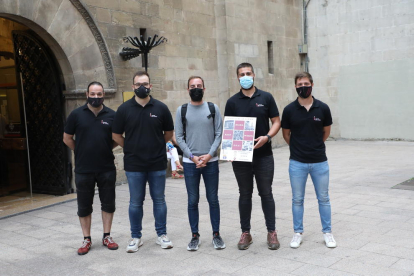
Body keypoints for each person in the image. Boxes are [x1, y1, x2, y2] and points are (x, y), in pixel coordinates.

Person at [112, 71, 174, 253]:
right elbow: (116, 135)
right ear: (133, 87)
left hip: (157, 163)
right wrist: (130, 147)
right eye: (138, 84)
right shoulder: (124, 109)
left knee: (159, 200)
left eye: (145, 84)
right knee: (135, 202)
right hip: (134, 165)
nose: (142, 87)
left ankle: (161, 235)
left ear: (150, 86)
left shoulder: (161, 108)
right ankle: (135, 236)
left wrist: (155, 145)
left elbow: (169, 133)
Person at [224, 63, 281, 250]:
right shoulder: (232, 102)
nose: (245, 76)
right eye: (242, 74)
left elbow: (276, 121)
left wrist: (268, 137)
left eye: (248, 73)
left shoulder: (266, 97)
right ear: (237, 78)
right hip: (241, 158)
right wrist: (230, 150)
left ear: (254, 75)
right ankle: (245, 233)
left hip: (264, 156)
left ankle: (271, 232)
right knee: (244, 194)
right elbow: (229, 129)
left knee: (266, 193)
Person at [281, 72, 336, 249]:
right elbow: (286, 135)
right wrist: (300, 148)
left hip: (320, 161)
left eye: (305, 83)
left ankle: (327, 233)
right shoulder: (289, 110)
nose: (302, 87)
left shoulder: (323, 108)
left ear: (312, 84)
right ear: (295, 86)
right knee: (297, 199)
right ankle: (297, 233)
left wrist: (314, 145)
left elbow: (326, 132)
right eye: (299, 84)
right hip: (297, 162)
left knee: (324, 198)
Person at [63, 81, 118, 255]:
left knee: (108, 203)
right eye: (93, 94)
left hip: (106, 168)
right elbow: (67, 138)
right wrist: (81, 150)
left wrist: (104, 147)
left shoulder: (112, 115)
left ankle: (107, 236)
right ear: (87, 94)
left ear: (104, 95)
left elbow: (117, 137)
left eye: (99, 94)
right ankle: (86, 239)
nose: (96, 97)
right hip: (83, 169)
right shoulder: (76, 115)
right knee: (84, 206)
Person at [175, 76, 225, 251]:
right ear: (187, 89)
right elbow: (179, 137)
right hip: (190, 163)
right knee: (192, 200)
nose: (196, 88)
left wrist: (209, 155)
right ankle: (194, 235)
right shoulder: (181, 110)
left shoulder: (213, 108)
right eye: (192, 86)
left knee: (213, 199)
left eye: (199, 86)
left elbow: (219, 133)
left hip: (211, 162)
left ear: (204, 88)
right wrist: (193, 157)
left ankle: (216, 235)